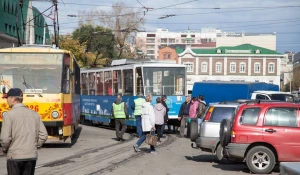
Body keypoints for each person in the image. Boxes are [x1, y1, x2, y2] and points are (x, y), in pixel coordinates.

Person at [0, 88, 48, 175]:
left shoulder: (8, 115)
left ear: (13, 99)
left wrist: (5, 149)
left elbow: (5, 139)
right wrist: (34, 146)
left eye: (7, 98)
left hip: (14, 156)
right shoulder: (34, 114)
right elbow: (43, 135)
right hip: (31, 156)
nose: (6, 100)